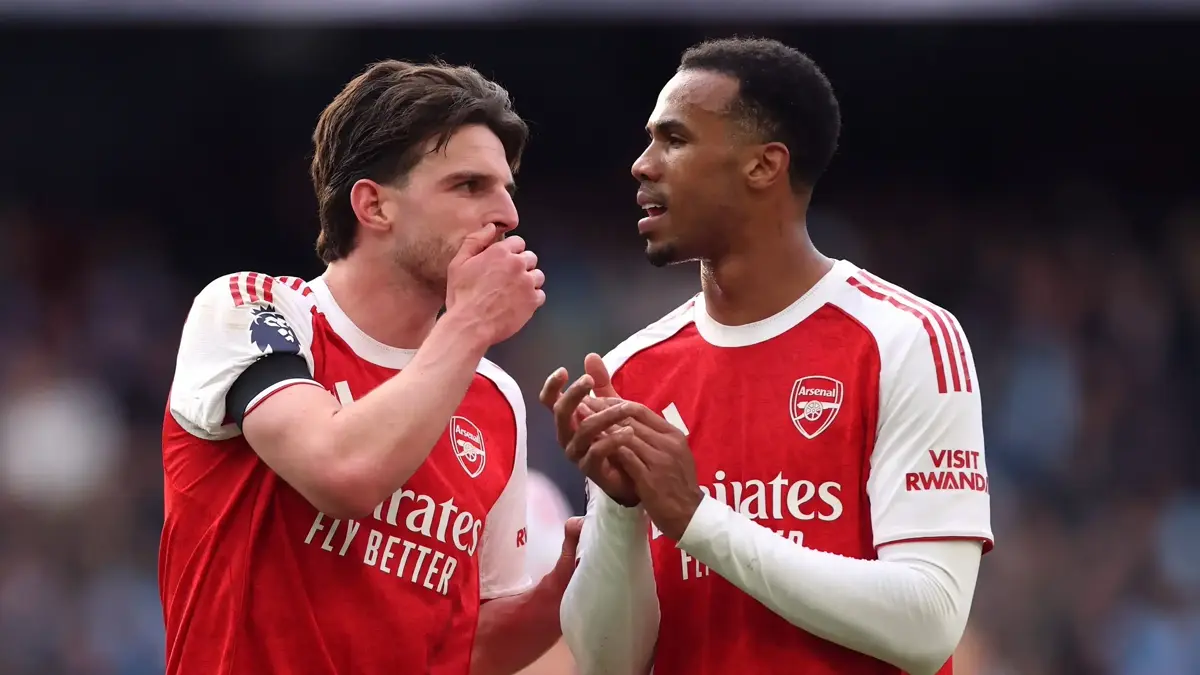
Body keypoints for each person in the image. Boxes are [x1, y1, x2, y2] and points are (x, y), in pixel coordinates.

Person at [543, 37, 993, 675]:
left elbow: (929, 621)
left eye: (674, 139)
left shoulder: (905, 338)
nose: (642, 165)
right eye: (649, 141)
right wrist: (621, 511)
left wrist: (696, 518)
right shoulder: (630, 372)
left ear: (763, 166)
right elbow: (608, 663)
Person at [159, 59, 577, 675]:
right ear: (373, 206)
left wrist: (573, 579)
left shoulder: (496, 400)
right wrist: (470, 324)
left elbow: (468, 649)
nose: (508, 215)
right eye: (469, 186)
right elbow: (342, 473)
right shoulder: (252, 310)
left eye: (506, 189)